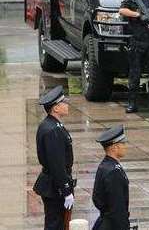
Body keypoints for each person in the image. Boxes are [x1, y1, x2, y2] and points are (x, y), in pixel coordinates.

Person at [33, 85, 75, 230]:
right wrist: (66, 190)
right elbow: (57, 164)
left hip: (53, 183)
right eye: (63, 102)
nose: (67, 104)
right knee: (56, 224)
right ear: (56, 108)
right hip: (55, 186)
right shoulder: (53, 130)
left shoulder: (50, 125)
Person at [92, 125, 130, 230]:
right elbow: (117, 208)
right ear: (114, 147)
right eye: (123, 143)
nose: (125, 146)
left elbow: (97, 198)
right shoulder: (113, 172)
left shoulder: (106, 165)